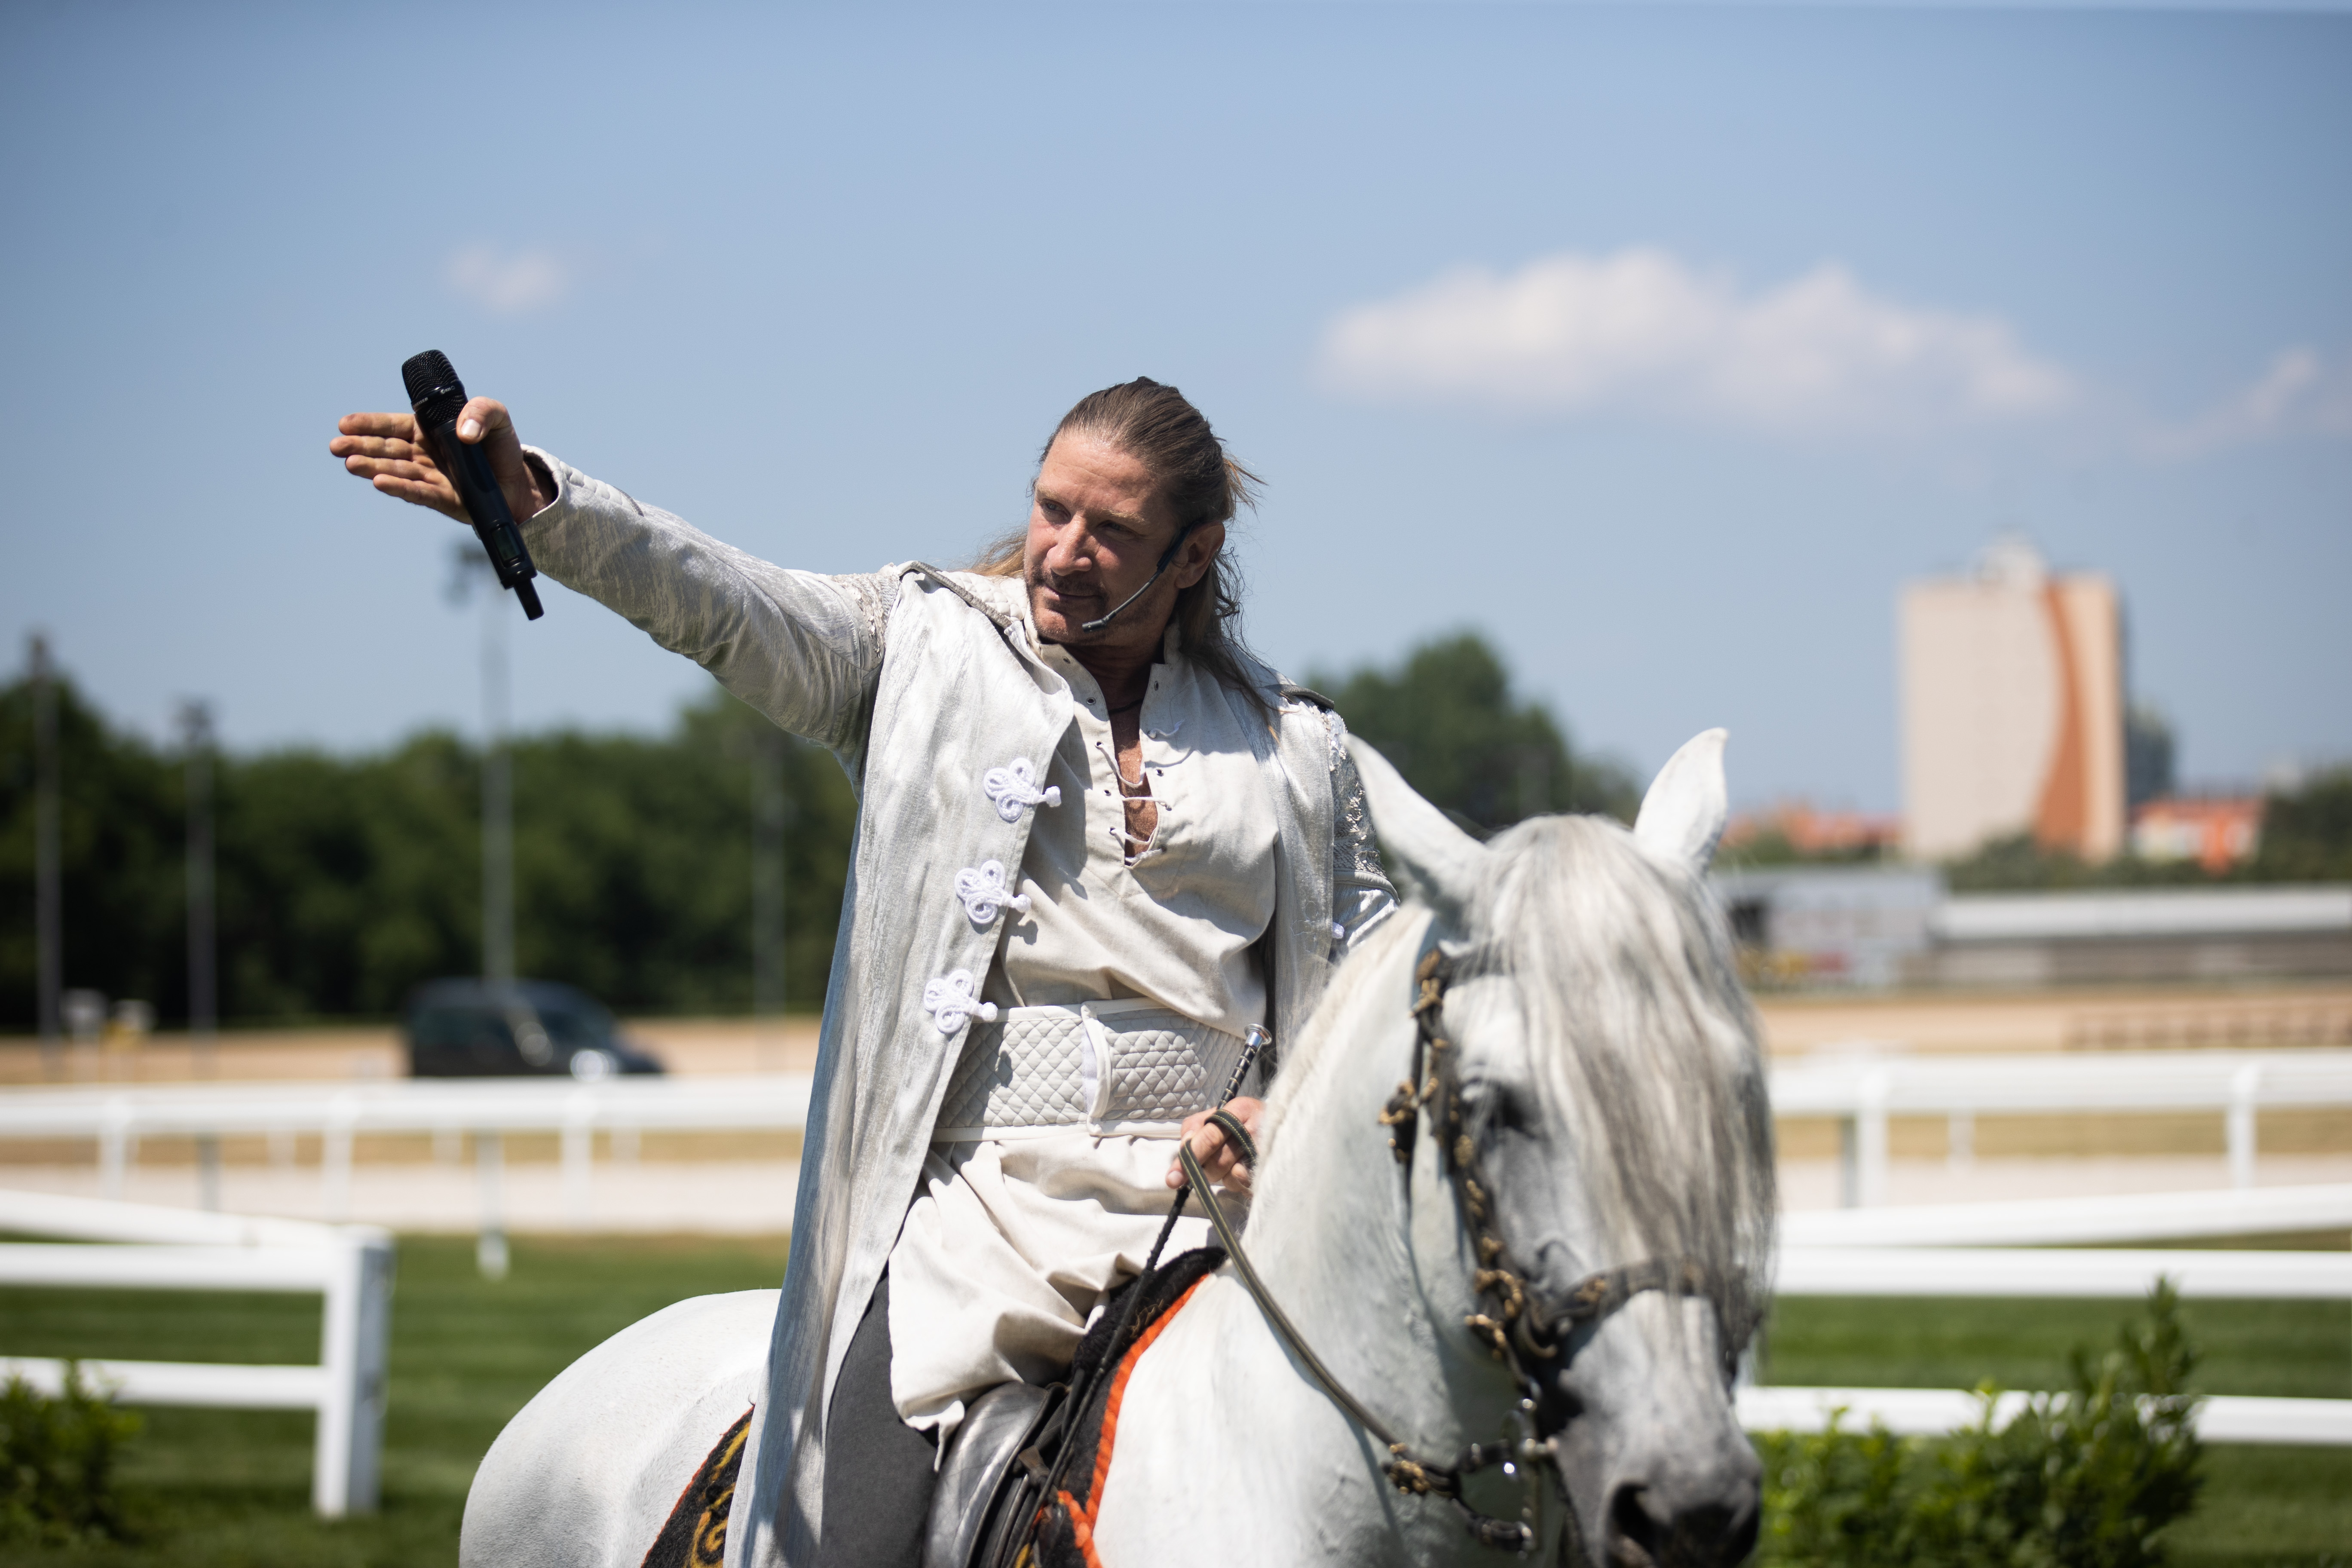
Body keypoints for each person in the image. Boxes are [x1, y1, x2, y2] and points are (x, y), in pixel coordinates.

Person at [330, 378, 1396, 1568]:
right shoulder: (922, 649)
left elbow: (1371, 999)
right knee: (858, 1543)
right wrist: (546, 506)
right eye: (1052, 510)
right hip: (963, 1218)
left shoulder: (1293, 746)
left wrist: (1277, 1115)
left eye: (1114, 533)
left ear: (1195, 555)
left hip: (1219, 1231)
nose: (1067, 551)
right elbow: (724, 603)